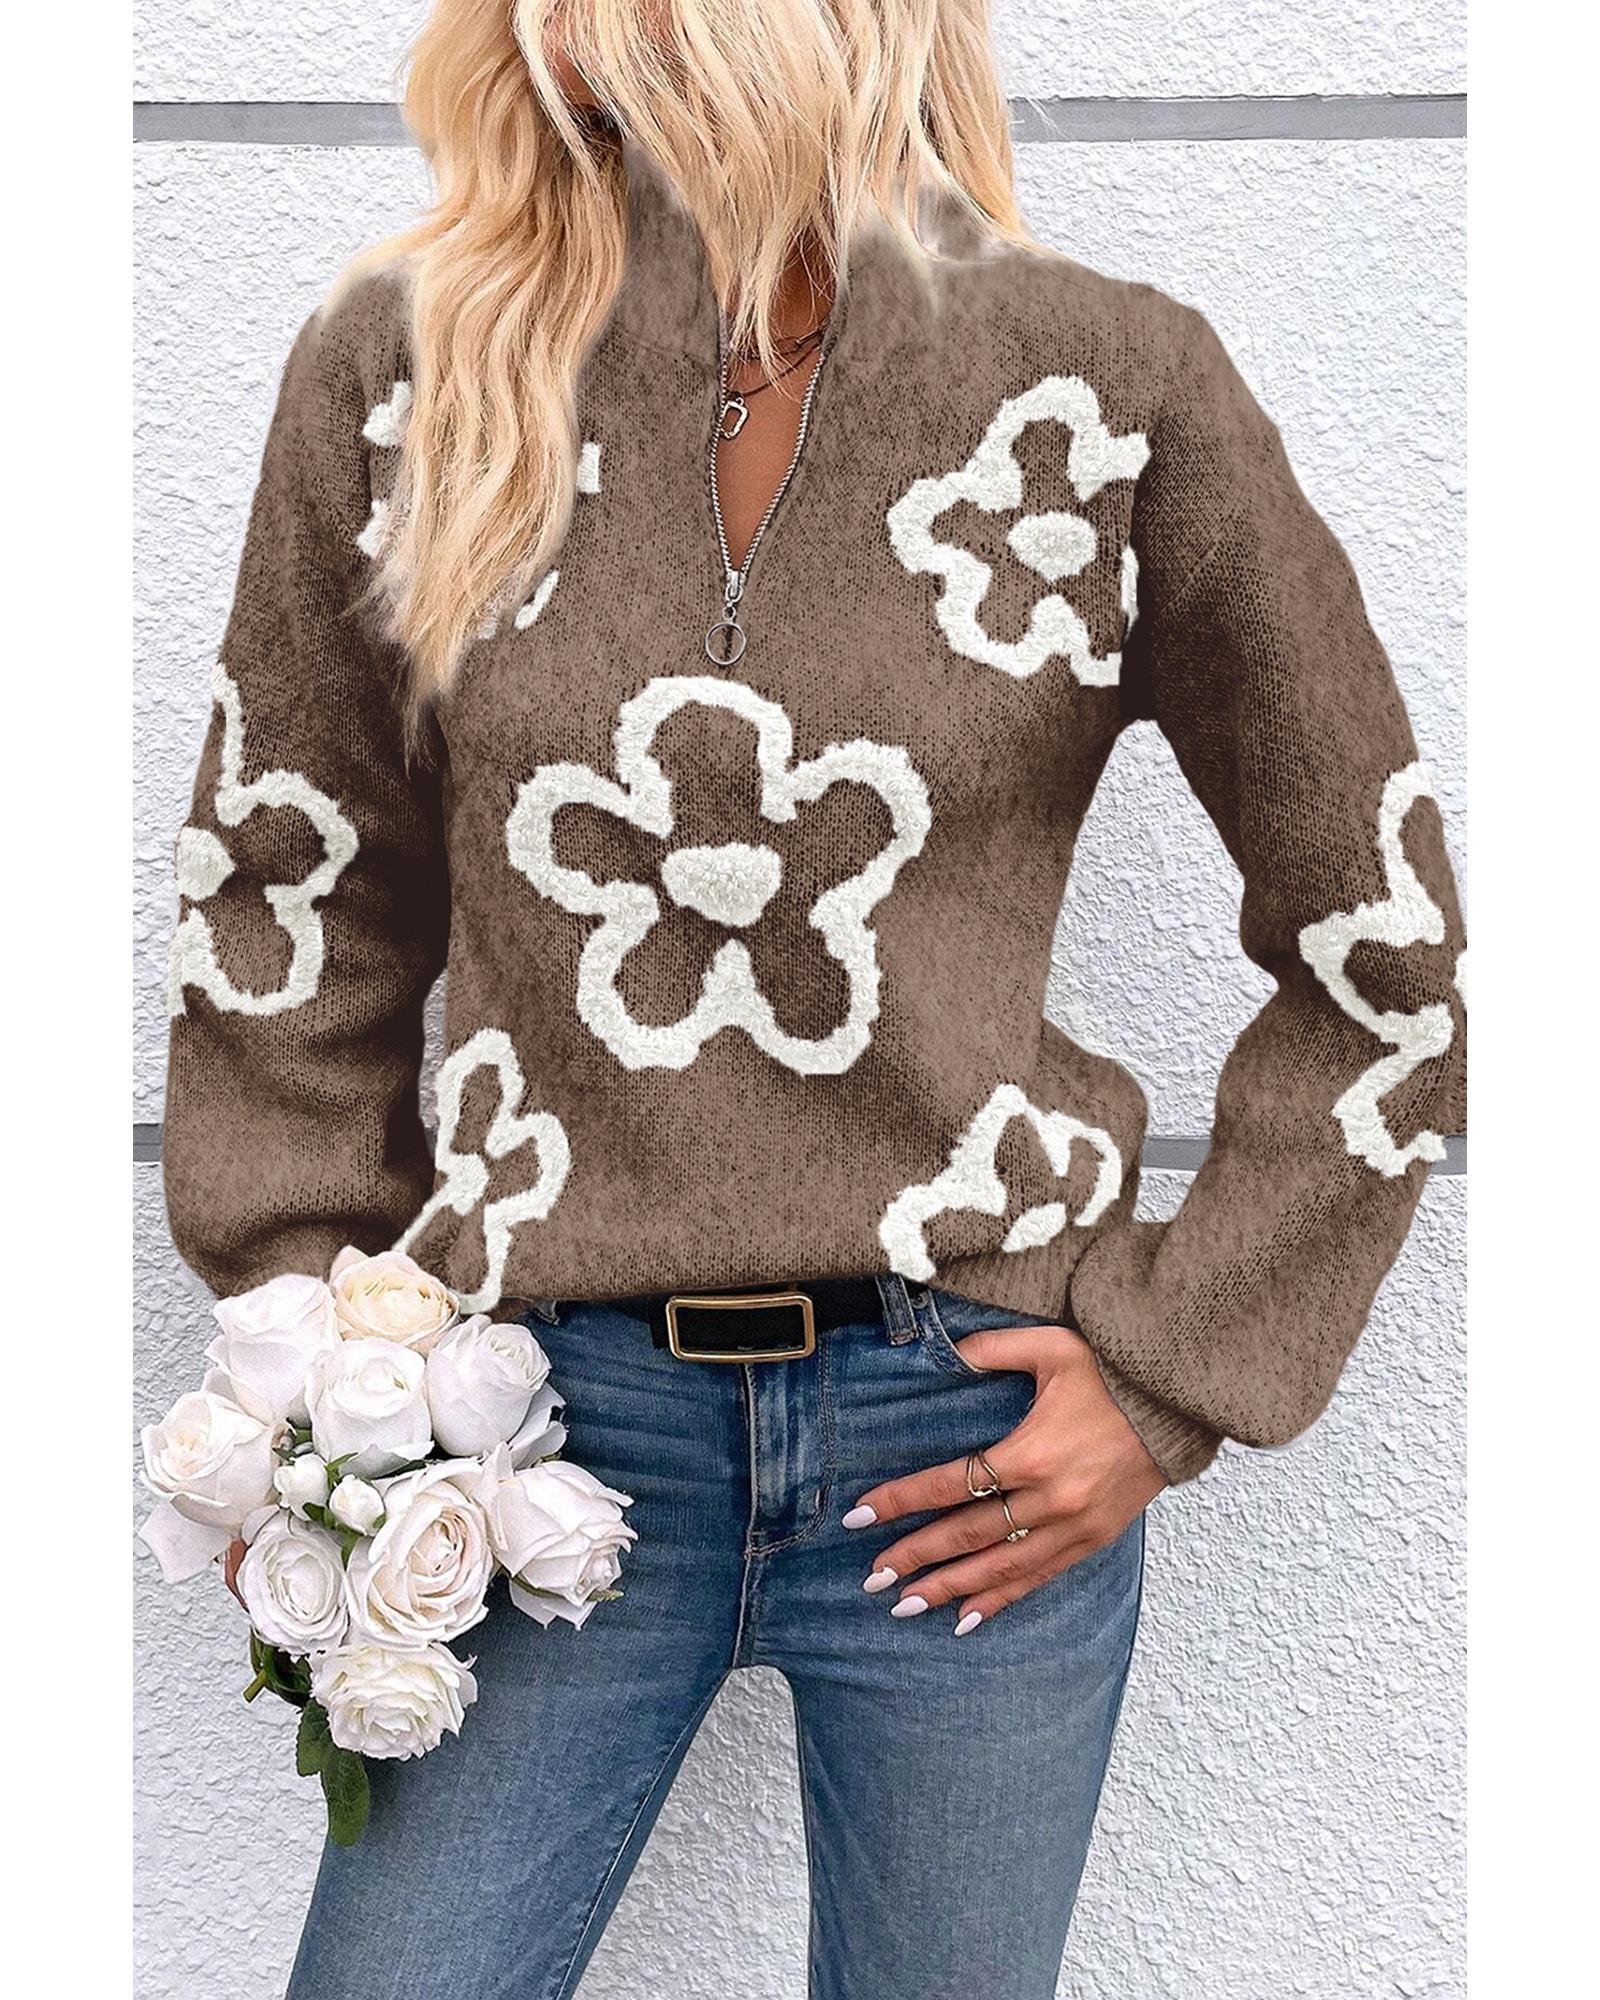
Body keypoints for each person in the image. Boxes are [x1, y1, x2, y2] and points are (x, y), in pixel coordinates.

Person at [160, 2, 1466, 1994]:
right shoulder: (412, 366)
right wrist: (324, 1370)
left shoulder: (1104, 388)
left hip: (967, 1431)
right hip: (536, 1436)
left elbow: (1386, 939)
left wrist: (1170, 1371)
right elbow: (287, 882)